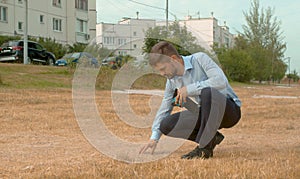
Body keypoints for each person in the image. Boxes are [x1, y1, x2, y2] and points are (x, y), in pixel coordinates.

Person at [139, 41, 241, 159]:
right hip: (204, 115)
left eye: (163, 69)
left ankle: (204, 149)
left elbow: (220, 81)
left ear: (173, 59)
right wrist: (154, 138)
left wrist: (189, 89)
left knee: (207, 92)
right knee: (166, 125)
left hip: (228, 112)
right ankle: (212, 137)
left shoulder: (200, 59)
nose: (162, 74)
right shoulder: (171, 81)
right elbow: (165, 108)